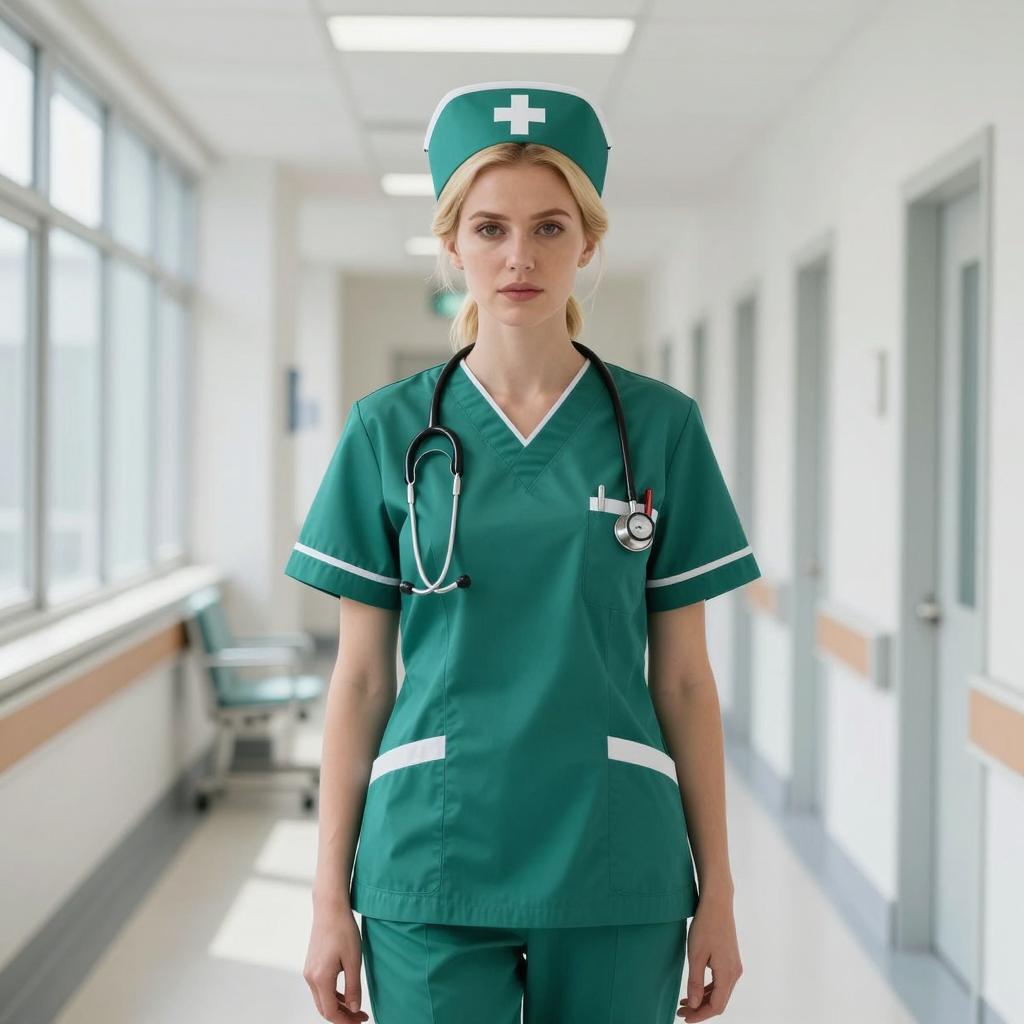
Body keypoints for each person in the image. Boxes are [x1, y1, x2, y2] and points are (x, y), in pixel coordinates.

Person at [287, 81, 761, 1024]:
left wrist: (720, 892)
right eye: (490, 227)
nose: (519, 257)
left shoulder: (659, 429)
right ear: (451, 243)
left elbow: (685, 684)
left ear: (588, 244)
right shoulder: (387, 432)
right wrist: (325, 899)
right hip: (429, 852)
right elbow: (361, 682)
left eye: (550, 228)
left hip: (613, 850)